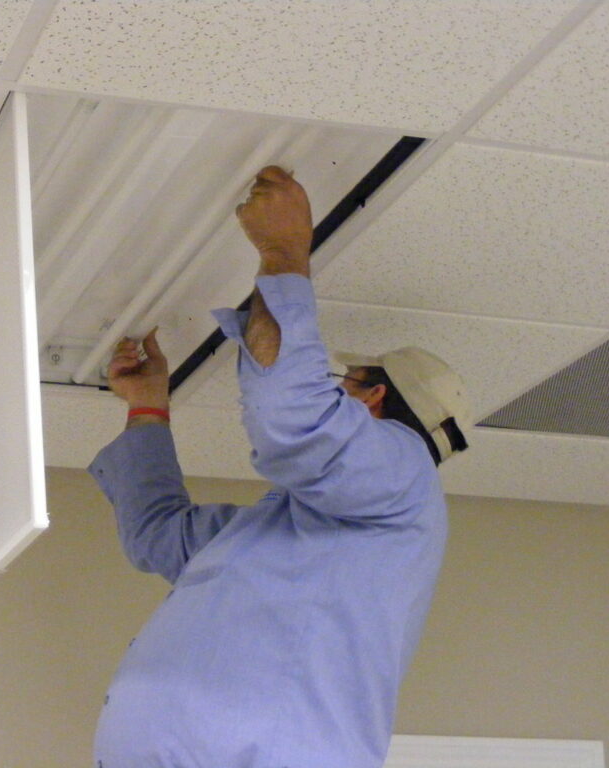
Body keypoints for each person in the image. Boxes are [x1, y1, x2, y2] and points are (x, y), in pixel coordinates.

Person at [88, 166, 472, 768]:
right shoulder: (287, 533)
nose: (330, 389)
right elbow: (158, 537)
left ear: (371, 398)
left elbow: (293, 415)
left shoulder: (403, 474)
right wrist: (146, 407)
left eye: (342, 381)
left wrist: (285, 251)